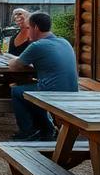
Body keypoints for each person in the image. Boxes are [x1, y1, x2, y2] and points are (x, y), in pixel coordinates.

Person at [8, 11, 79, 141]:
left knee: (17, 91)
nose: (28, 32)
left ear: (35, 28)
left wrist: (10, 60)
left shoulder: (38, 45)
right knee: (33, 90)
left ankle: (28, 131)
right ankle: (46, 128)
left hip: (53, 92)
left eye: (29, 28)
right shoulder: (64, 42)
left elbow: (14, 66)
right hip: (72, 89)